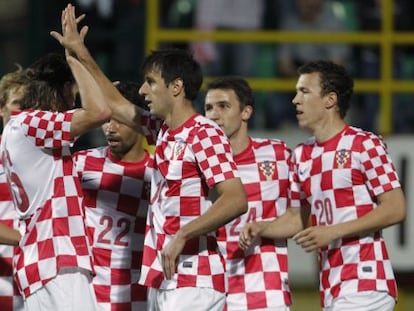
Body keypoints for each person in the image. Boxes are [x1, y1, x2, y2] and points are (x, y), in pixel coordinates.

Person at [51, 4, 248, 310]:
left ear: (176, 87)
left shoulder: (203, 133)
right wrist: (79, 52)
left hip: (194, 278)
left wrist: (184, 234)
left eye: (151, 82)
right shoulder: (164, 132)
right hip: (167, 278)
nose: (143, 90)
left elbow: (236, 199)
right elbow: (115, 105)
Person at [239, 60, 407, 311]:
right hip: (332, 285)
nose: (295, 100)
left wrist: (334, 231)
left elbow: (395, 208)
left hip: (366, 281)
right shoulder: (302, 155)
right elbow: (299, 218)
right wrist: (262, 227)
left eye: (304, 91)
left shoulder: (364, 145)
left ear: (330, 100)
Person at [0, 51, 111, 310]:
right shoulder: (30, 123)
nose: (74, 102)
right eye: (74, 92)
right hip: (58, 258)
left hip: (39, 264)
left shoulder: (19, 132)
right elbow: (100, 111)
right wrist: (75, 55)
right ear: (63, 88)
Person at [204, 77, 292, 310]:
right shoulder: (195, 165)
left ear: (246, 112)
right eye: (208, 108)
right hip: (210, 294)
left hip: (265, 294)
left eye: (223, 106)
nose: (213, 115)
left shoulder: (278, 155)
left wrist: (264, 228)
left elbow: (305, 211)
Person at [74, 81, 152, 310]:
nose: (110, 128)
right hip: (87, 291)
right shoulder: (80, 163)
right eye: (106, 119)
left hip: (138, 293)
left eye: (119, 119)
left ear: (140, 122)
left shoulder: (158, 173)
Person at [268, 0, 351, 129]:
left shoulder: (334, 23)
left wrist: (315, 84)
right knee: (276, 103)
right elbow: (283, 64)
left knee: (334, 93)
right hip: (295, 77)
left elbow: (337, 64)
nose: (304, 4)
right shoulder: (289, 22)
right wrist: (304, 85)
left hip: (324, 80)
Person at [0, 65, 28, 311]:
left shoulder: (48, 158)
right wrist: (32, 240)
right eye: (18, 103)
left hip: (35, 276)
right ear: (2, 109)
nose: (25, 112)